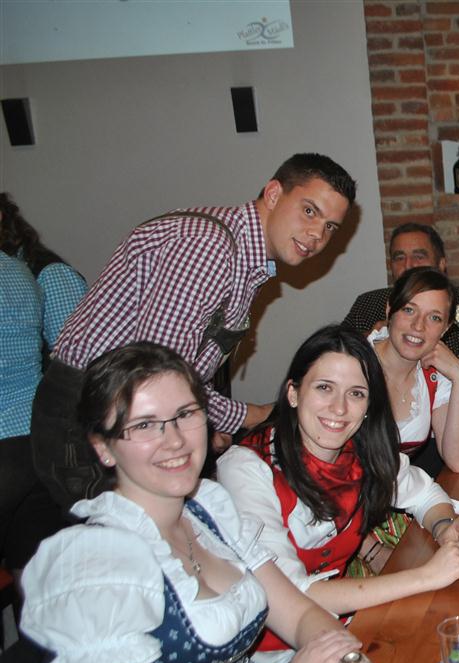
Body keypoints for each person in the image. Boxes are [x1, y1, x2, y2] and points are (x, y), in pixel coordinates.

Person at [20, 343, 391, 663]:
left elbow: (298, 613)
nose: (175, 440)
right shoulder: (98, 566)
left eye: (185, 414)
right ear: (103, 447)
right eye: (145, 425)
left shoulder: (208, 509)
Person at [31, 153, 356, 510]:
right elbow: (157, 377)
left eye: (330, 227)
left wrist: (202, 423)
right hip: (89, 415)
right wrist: (252, 415)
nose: (317, 235)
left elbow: (178, 370)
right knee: (127, 537)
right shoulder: (210, 245)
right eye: (309, 211)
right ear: (274, 193)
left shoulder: (245, 256)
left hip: (132, 411)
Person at [217, 325, 459, 663]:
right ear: (293, 393)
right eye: (324, 388)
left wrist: (444, 526)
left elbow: (424, 493)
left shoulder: (361, 450)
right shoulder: (246, 467)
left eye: (356, 393)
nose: (339, 408)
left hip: (342, 635)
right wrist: (426, 576)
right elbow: (290, 593)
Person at [342, 222, 459, 407]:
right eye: (399, 257)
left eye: (419, 256)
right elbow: (334, 351)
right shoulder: (368, 304)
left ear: (441, 264)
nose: (408, 265)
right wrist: (369, 338)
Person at [0, 193, 87, 568]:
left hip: (36, 437)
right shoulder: (19, 272)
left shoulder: (49, 274)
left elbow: (77, 365)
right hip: (32, 438)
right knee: (37, 570)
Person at [368, 267, 459, 475]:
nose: (418, 326)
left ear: (446, 328)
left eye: (434, 318)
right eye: (409, 310)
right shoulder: (354, 364)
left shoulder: (434, 377)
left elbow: (458, 460)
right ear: (389, 310)